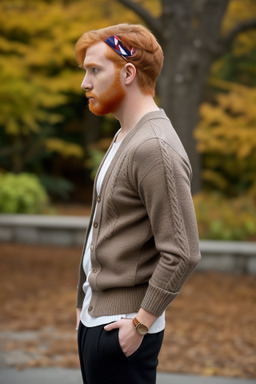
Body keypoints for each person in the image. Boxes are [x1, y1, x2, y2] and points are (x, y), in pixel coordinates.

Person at [75, 23, 201, 384]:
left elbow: (183, 251)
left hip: (124, 332)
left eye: (94, 70)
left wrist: (140, 324)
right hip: (97, 322)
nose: (85, 83)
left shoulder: (154, 148)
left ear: (129, 72)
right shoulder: (124, 136)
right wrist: (83, 307)